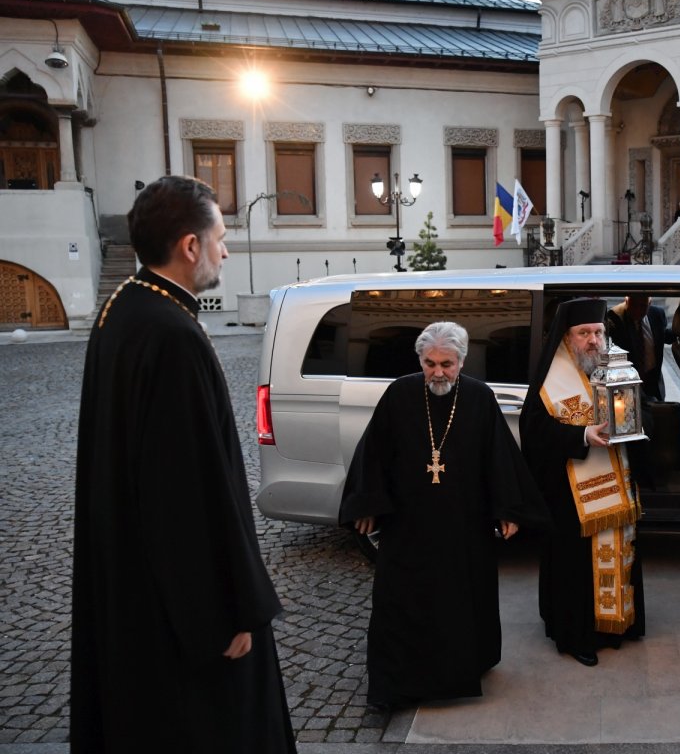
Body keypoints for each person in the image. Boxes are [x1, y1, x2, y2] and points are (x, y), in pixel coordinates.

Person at [72, 175, 295, 753]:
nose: (225, 249)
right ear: (190, 247)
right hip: (185, 618)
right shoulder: (173, 335)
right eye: (219, 237)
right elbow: (186, 493)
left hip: (136, 585)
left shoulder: (124, 307)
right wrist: (226, 611)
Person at [339, 321, 549, 710]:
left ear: (462, 361)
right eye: (430, 363)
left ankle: (460, 670)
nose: (437, 372)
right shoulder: (400, 393)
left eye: (447, 364)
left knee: (462, 600)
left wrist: (507, 509)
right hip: (408, 523)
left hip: (464, 523)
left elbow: (499, 458)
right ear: (420, 359)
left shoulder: (479, 397)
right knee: (400, 601)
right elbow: (373, 452)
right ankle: (398, 683)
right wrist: (367, 505)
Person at [520, 298, 646, 667]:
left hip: (617, 479)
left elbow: (640, 408)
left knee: (617, 554)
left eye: (597, 332)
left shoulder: (616, 365)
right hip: (569, 494)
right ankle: (576, 635)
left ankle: (614, 626)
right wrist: (581, 437)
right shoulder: (550, 379)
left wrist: (636, 425)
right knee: (574, 568)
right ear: (567, 337)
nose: (593, 340)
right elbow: (534, 432)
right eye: (584, 333)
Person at [605, 295, 671, 402]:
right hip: (628, 384)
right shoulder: (615, 317)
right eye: (634, 305)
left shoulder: (657, 314)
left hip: (653, 384)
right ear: (626, 301)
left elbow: (664, 336)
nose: (638, 310)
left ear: (649, 303)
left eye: (642, 306)